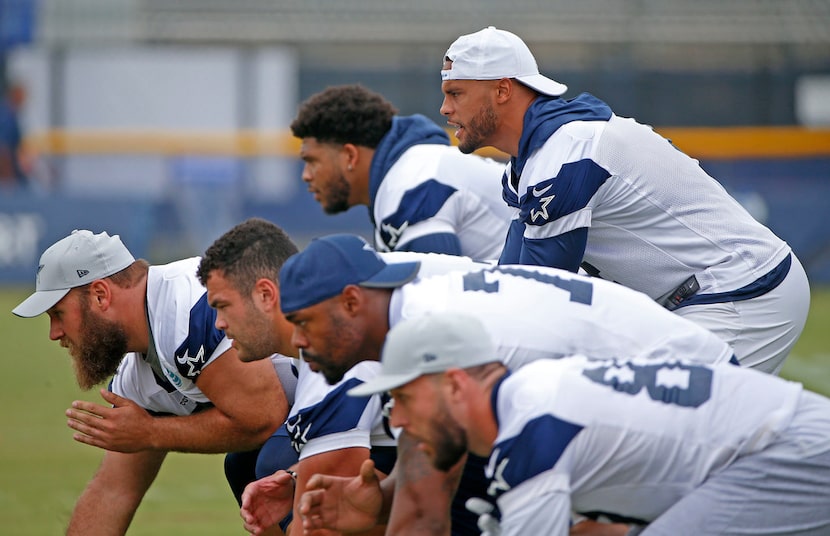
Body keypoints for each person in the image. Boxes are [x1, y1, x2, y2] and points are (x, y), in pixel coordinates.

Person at [275, 233, 737, 535]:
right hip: (673, 395)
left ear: (352, 302)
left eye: (303, 322)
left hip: (697, 413)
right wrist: (377, 507)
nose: (296, 341)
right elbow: (427, 477)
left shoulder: (430, 334)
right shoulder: (416, 319)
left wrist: (385, 514)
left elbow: (423, 515)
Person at [438, 26, 811, 374]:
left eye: (456, 93)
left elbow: (540, 301)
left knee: (670, 430)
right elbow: (515, 283)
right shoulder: (540, 157)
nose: (445, 109)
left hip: (742, 291)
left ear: (502, 90)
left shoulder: (565, 155)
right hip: (700, 295)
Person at [337, 312, 830, 536]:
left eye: (403, 396)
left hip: (788, 451)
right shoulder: (537, 391)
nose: (396, 418)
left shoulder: (530, 433)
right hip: (784, 445)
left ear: (456, 385)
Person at [12, 229, 288, 535]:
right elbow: (112, 492)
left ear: (100, 295)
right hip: (315, 420)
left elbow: (264, 417)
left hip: (346, 403)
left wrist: (150, 432)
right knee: (252, 470)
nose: (54, 333)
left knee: (260, 466)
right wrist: (145, 433)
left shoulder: (187, 308)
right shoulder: (137, 377)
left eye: (58, 313)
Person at [290, 84, 513, 261]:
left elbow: (438, 302)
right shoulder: (406, 176)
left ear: (350, 156)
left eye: (312, 161)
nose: (306, 175)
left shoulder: (411, 183)